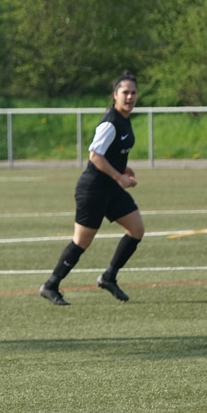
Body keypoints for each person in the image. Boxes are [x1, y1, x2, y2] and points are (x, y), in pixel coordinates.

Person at [39, 71, 144, 305]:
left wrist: (123, 169)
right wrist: (119, 177)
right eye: (125, 92)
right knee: (81, 242)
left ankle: (108, 277)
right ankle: (51, 285)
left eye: (133, 92)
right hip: (93, 190)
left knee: (136, 229)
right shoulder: (110, 123)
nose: (129, 97)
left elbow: (111, 154)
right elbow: (95, 155)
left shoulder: (124, 119)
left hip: (111, 189)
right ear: (115, 95)